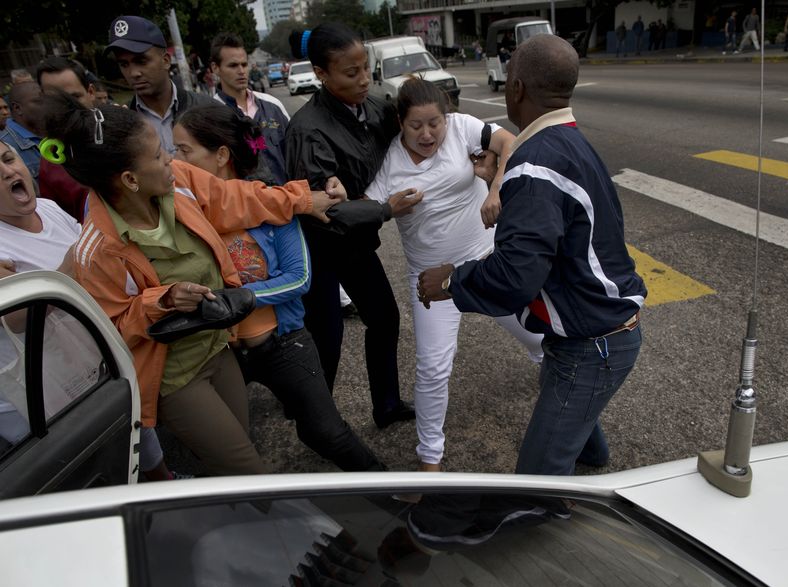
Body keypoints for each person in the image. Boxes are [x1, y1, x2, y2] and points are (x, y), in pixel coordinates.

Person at [41, 92, 344, 476]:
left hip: (218, 347)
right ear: (130, 179)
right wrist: (164, 299)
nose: (171, 158)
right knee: (250, 471)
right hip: (173, 377)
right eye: (157, 155)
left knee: (235, 458)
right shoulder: (98, 249)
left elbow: (236, 196)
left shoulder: (179, 182)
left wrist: (303, 199)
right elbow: (113, 325)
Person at [419, 35, 646, 476]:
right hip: (599, 329)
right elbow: (547, 234)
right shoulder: (568, 142)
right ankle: (582, 449)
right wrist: (493, 184)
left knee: (533, 486)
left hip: (593, 343)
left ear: (516, 88)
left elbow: (514, 278)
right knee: (574, 428)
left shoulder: (535, 163)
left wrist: (449, 281)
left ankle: (556, 492)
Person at [172, 104, 386, 472]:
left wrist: (244, 298)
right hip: (220, 353)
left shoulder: (272, 204)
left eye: (184, 151)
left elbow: (299, 277)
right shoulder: (184, 210)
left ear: (221, 155)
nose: (174, 161)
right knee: (223, 449)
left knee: (325, 433)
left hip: (283, 345)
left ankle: (389, 488)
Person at [364, 78, 543, 472]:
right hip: (432, 282)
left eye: (435, 123)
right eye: (416, 126)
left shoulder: (462, 127)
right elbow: (364, 210)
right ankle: (430, 457)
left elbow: (510, 142)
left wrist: (495, 185)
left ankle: (552, 377)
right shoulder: (390, 164)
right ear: (400, 122)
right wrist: (386, 208)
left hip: (485, 262)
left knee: (538, 334)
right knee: (433, 366)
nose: (428, 134)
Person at [0, 140, 186, 480]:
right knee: (94, 466)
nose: (7, 171)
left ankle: (165, 483)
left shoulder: (49, 208)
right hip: (44, 383)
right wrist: (71, 268)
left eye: (8, 158)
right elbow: (16, 317)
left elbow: (98, 260)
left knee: (134, 428)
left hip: (96, 350)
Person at [284, 23, 423, 430]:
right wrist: (383, 208)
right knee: (326, 338)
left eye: (366, 68)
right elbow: (322, 210)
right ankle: (317, 423)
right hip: (317, 248)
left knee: (384, 317)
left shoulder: (376, 108)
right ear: (322, 74)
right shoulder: (308, 130)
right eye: (350, 72)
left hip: (355, 244)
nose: (363, 80)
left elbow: (416, 132)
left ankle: (387, 405)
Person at [105, 15, 217, 155]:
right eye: (124, 64)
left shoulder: (207, 108)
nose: (133, 73)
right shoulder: (124, 124)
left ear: (165, 61)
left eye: (141, 61)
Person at [211, 33, 290, 184]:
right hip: (243, 205)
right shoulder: (210, 116)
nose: (241, 71)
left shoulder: (273, 106)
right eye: (233, 65)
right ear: (216, 68)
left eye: (244, 64)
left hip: (287, 202)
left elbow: (295, 154)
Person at [35, 56, 95, 222]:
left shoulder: (126, 133)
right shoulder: (50, 163)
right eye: (56, 100)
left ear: (90, 92)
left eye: (75, 97)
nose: (68, 108)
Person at [0, 81, 44, 182]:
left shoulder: (54, 129)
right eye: (39, 102)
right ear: (17, 108)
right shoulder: (5, 145)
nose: (46, 106)